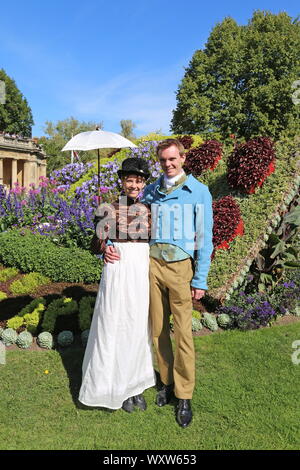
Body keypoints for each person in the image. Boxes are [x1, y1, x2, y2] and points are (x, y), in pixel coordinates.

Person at [105, 139, 213, 428]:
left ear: (182, 158)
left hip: (180, 270)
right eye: (163, 160)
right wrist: (108, 242)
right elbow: (125, 214)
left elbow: (205, 239)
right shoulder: (152, 191)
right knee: (157, 330)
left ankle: (185, 395)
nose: (168, 164)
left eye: (173, 159)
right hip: (151, 267)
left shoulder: (198, 192)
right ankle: (165, 383)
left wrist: (200, 278)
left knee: (183, 335)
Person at [78, 157, 156, 413]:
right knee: (114, 322)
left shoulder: (148, 209)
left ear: (143, 183)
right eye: (129, 180)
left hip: (140, 270)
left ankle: (135, 386)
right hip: (117, 268)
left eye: (138, 180)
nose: (133, 185)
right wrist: (105, 247)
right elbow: (94, 243)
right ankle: (114, 387)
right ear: (122, 181)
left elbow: (153, 242)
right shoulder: (108, 208)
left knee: (136, 325)